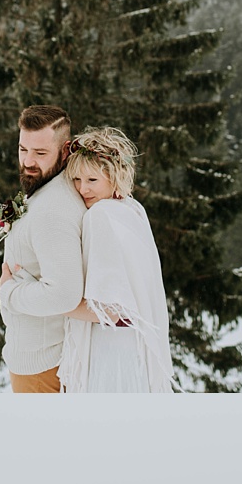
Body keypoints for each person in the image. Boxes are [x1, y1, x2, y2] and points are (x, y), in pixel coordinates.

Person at [59, 127, 173, 395]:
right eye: (76, 179)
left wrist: (53, 302)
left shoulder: (100, 215)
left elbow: (110, 311)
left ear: (113, 177)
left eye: (92, 180)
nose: (82, 189)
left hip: (111, 352)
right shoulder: (131, 209)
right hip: (134, 348)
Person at [0, 104, 86, 392]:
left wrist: (10, 293)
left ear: (64, 151)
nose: (28, 161)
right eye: (23, 149)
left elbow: (64, 294)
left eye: (40, 153)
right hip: (34, 358)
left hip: (41, 365)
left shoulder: (53, 210)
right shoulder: (44, 190)